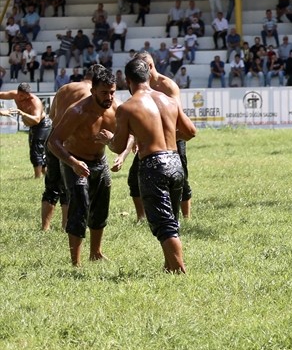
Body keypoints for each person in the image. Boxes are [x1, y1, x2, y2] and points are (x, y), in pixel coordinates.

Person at [104, 59, 196, 272]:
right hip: (175, 161)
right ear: (148, 77)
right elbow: (190, 132)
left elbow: (118, 146)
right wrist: (169, 137)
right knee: (171, 218)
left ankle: (178, 270)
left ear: (127, 81)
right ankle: (168, 266)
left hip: (153, 165)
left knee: (163, 224)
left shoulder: (127, 107)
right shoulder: (169, 100)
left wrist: (108, 139)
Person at [47, 66, 121, 266]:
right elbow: (53, 142)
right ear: (93, 90)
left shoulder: (115, 108)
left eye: (112, 92)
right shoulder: (77, 111)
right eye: (104, 93)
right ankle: (75, 261)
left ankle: (95, 252)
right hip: (76, 161)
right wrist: (73, 162)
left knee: (100, 209)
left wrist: (120, 153)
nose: (109, 97)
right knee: (79, 207)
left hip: (100, 162)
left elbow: (129, 136)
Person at [0, 83, 50, 178]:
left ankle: (37, 178)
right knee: (35, 150)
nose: (20, 97)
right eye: (19, 94)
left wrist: (22, 113)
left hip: (42, 125)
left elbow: (37, 119)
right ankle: (46, 175)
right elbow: (1, 95)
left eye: (23, 96)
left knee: (36, 150)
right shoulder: (15, 94)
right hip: (33, 126)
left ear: (28, 95)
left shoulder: (34, 101)